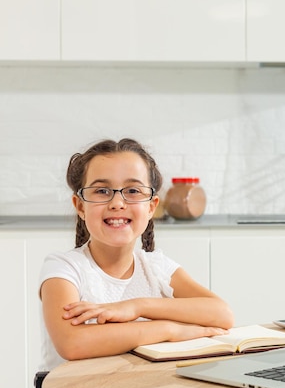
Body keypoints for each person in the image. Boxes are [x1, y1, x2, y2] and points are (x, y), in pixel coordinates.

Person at [39, 138, 234, 371]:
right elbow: (73, 343)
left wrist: (137, 307)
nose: (118, 203)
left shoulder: (156, 267)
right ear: (80, 206)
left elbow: (222, 314)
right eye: (102, 191)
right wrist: (169, 329)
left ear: (151, 207)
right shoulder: (64, 268)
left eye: (132, 190)